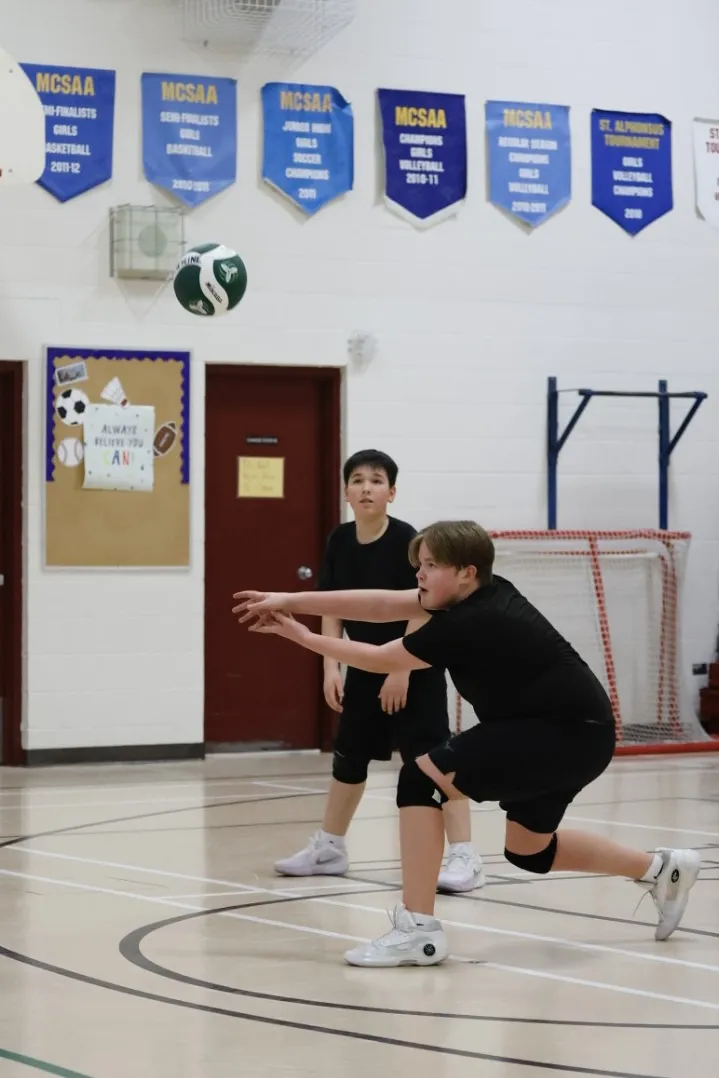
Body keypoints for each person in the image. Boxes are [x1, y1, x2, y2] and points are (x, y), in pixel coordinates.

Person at [233, 519, 701, 968]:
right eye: (420, 563)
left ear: (465, 572)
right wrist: (289, 598)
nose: (420, 572)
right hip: (571, 731)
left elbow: (378, 658)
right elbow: (379, 605)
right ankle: (661, 869)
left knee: (421, 780)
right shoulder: (467, 599)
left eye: (431, 564)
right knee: (529, 851)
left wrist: (298, 634)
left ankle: (418, 931)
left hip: (563, 733)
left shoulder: (474, 619)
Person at [271, 451, 483, 893]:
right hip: (365, 666)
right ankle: (330, 847)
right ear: (347, 491)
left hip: (414, 668)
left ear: (392, 491)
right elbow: (332, 604)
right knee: (349, 758)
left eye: (377, 480)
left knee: (434, 761)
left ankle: (466, 855)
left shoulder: (409, 540)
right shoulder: (340, 540)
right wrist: (332, 666)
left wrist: (401, 669)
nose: (367, 487)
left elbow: (424, 604)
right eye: (358, 480)